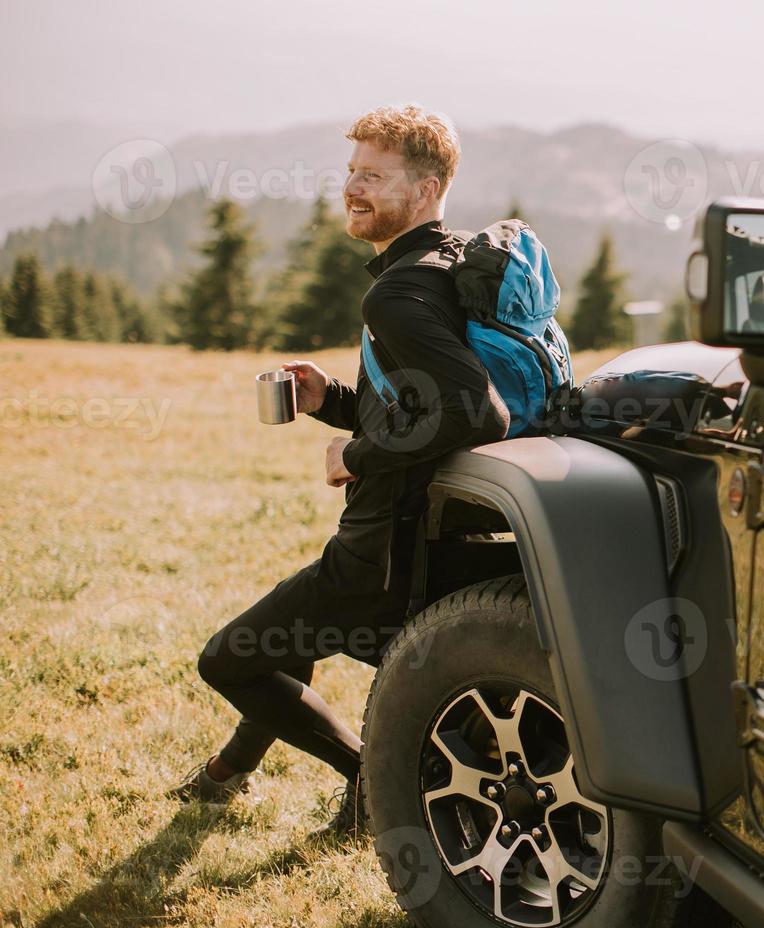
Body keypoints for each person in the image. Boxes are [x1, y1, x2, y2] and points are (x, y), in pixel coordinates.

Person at [171, 105, 510, 837]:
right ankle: (226, 775)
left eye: (374, 177)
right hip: (425, 538)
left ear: (424, 191)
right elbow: (417, 406)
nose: (353, 188)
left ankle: (371, 779)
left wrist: (355, 454)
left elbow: (478, 414)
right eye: (352, 171)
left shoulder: (398, 291)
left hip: (378, 556)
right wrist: (334, 402)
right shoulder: (446, 266)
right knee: (286, 638)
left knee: (230, 661)